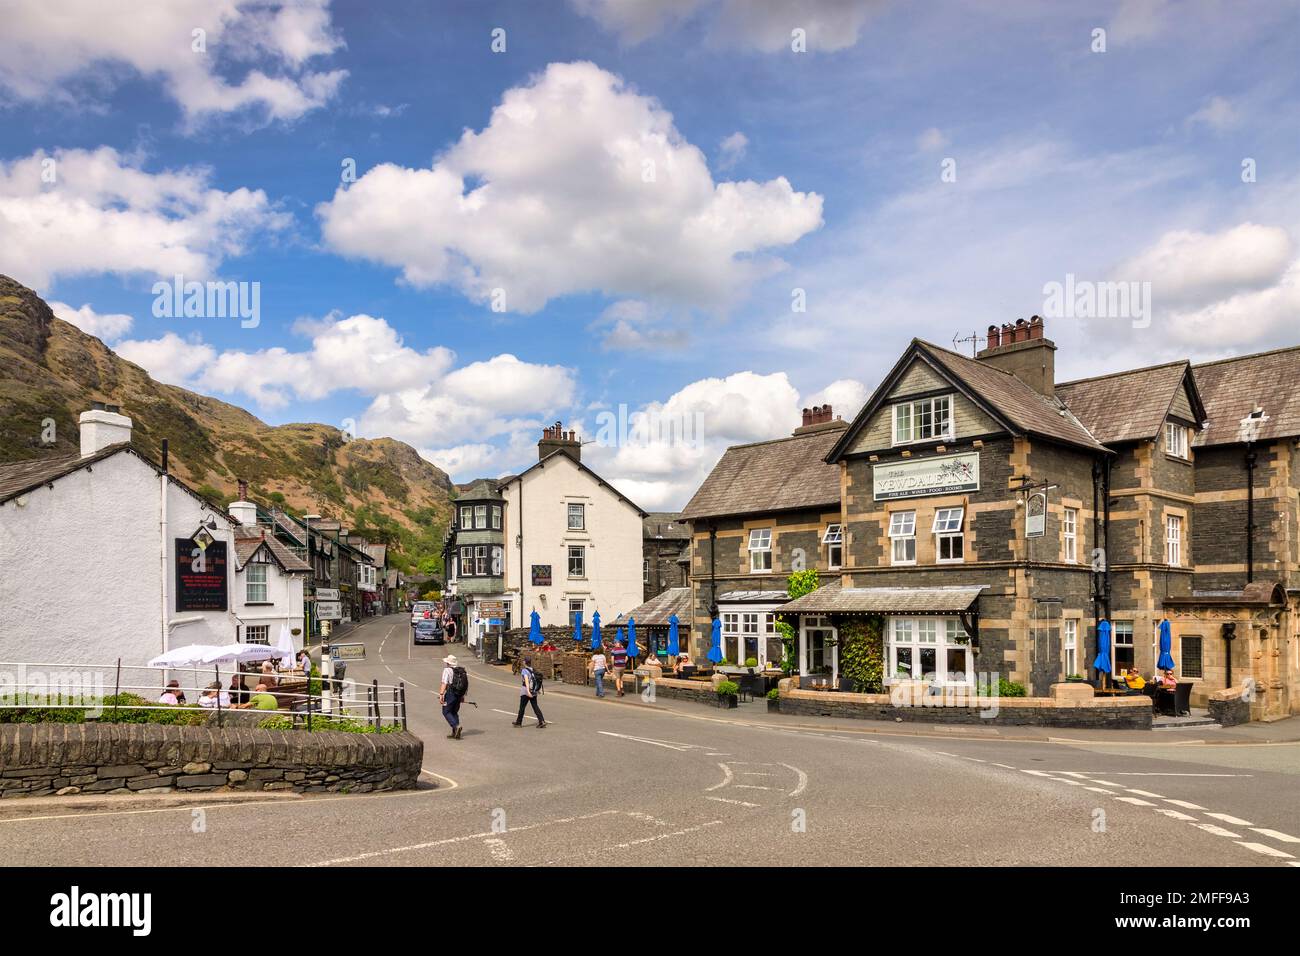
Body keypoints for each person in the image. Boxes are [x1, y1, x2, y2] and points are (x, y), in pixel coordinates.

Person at [513, 656, 546, 728]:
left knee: (522, 707)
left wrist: (528, 691)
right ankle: (542, 721)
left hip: (525, 691)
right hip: (533, 691)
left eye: (523, 661)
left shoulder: (524, 670)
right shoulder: (533, 670)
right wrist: (537, 690)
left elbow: (527, 681)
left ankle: (518, 723)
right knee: (535, 706)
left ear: (525, 662)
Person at [440, 654, 466, 739]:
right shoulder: (460, 671)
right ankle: (455, 733)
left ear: (448, 663)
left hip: (451, 693)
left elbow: (444, 683)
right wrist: (462, 695)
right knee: (454, 712)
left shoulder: (447, 670)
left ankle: (456, 726)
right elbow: (463, 684)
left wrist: (441, 694)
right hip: (459, 694)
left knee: (446, 711)